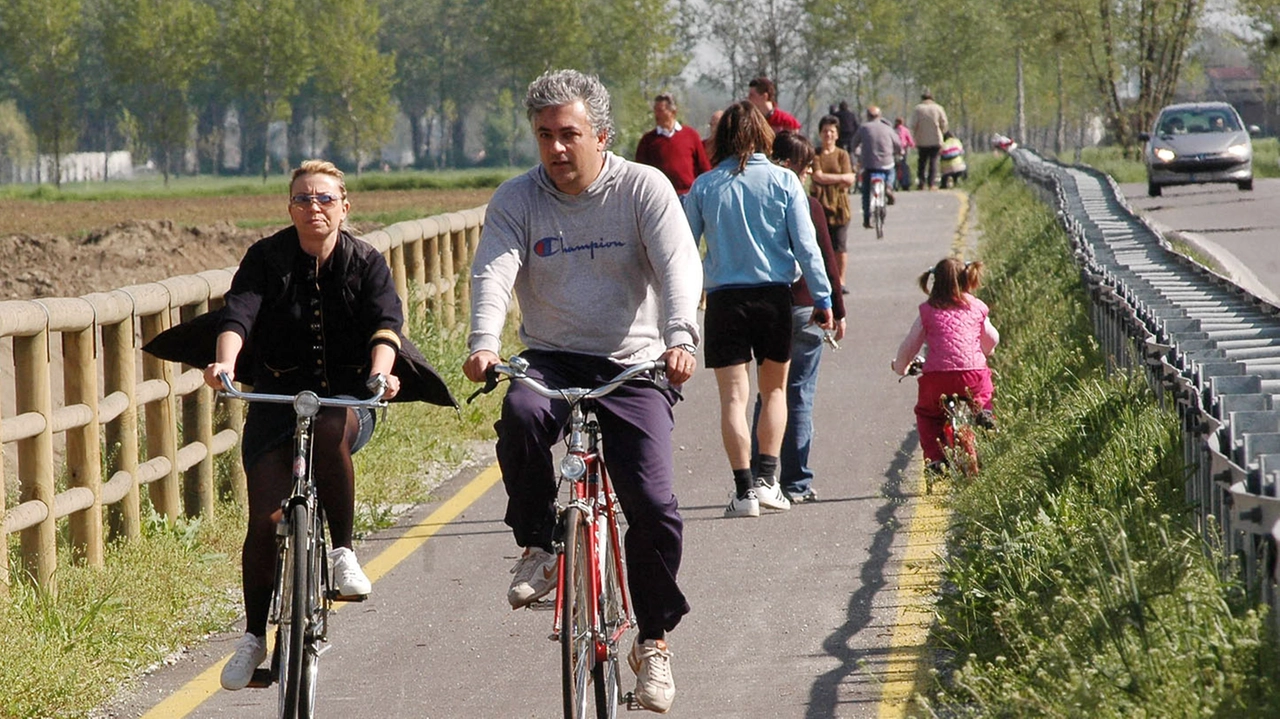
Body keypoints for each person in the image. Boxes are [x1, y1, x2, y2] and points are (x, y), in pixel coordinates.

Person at [462, 69, 701, 714]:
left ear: (601, 134)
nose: (556, 149)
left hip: (634, 364)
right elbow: (494, 266)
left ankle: (651, 642)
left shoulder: (643, 188)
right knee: (518, 412)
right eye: (545, 136)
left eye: (569, 134)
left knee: (652, 504)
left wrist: (681, 336)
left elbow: (680, 263)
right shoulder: (519, 198)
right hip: (549, 359)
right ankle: (540, 546)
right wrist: (483, 341)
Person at [169, 160, 456, 691]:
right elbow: (239, 315)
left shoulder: (366, 261)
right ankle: (254, 637)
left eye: (325, 199)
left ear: (346, 206)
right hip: (277, 398)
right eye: (303, 199)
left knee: (327, 427)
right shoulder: (265, 258)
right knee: (264, 518)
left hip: (348, 399)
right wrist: (225, 365)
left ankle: (343, 553)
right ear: (290, 208)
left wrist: (379, 377)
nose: (314, 208)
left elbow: (386, 326)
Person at [684, 101, 835, 518]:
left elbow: (682, 249)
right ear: (762, 134)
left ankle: (743, 490)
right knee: (773, 392)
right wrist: (822, 299)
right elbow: (808, 247)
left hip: (725, 302)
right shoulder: (785, 181)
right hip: (773, 297)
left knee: (734, 398)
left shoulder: (705, 186)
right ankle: (770, 482)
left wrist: (678, 302)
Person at [751, 130, 847, 503]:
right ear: (793, 166)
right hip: (807, 307)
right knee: (799, 395)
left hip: (766, 306)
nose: (806, 175)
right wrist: (837, 308)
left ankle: (763, 478)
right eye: (806, 168)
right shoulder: (806, 204)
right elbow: (825, 259)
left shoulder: (757, 202)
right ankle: (796, 482)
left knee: (767, 394)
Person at [890, 258, 998, 473]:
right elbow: (992, 338)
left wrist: (900, 367)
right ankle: (983, 411)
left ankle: (935, 460)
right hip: (972, 373)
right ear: (967, 279)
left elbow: (910, 346)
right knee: (983, 392)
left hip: (937, 378)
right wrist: (985, 352)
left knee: (928, 415)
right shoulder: (976, 306)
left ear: (934, 282)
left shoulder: (928, 310)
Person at [810, 115, 855, 292]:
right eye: (825, 131)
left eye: (832, 131)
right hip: (820, 205)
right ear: (820, 134)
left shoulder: (842, 155)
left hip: (840, 207)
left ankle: (840, 281)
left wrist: (830, 179)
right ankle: (823, 280)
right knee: (820, 246)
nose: (828, 134)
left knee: (840, 246)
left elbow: (850, 178)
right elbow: (817, 176)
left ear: (837, 135)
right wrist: (840, 178)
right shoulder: (816, 154)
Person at [634, 92, 712, 196]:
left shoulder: (691, 135)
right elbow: (640, 171)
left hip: (688, 195)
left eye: (661, 111)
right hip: (660, 195)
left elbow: (703, 166)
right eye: (655, 110)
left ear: (673, 112)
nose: (657, 115)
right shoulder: (648, 140)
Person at [849, 106, 902, 230]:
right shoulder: (888, 128)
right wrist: (899, 152)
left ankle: (867, 218)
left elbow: (853, 144)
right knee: (891, 171)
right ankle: (889, 186)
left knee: (866, 191)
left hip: (868, 164)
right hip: (886, 163)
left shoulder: (863, 128)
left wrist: (857, 153)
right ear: (880, 115)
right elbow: (898, 144)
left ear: (868, 116)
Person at [909, 90, 948, 190]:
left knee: (921, 162)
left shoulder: (918, 109)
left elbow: (913, 124)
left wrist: (915, 136)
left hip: (921, 139)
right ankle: (931, 184)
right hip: (935, 139)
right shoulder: (938, 108)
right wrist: (941, 132)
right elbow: (944, 123)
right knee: (933, 161)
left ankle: (921, 183)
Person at [893, 117, 915, 191]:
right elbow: (911, 142)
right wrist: (912, 145)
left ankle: (893, 183)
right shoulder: (905, 130)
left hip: (893, 151)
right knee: (904, 167)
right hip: (903, 151)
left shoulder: (893, 130)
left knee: (894, 167)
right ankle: (905, 183)